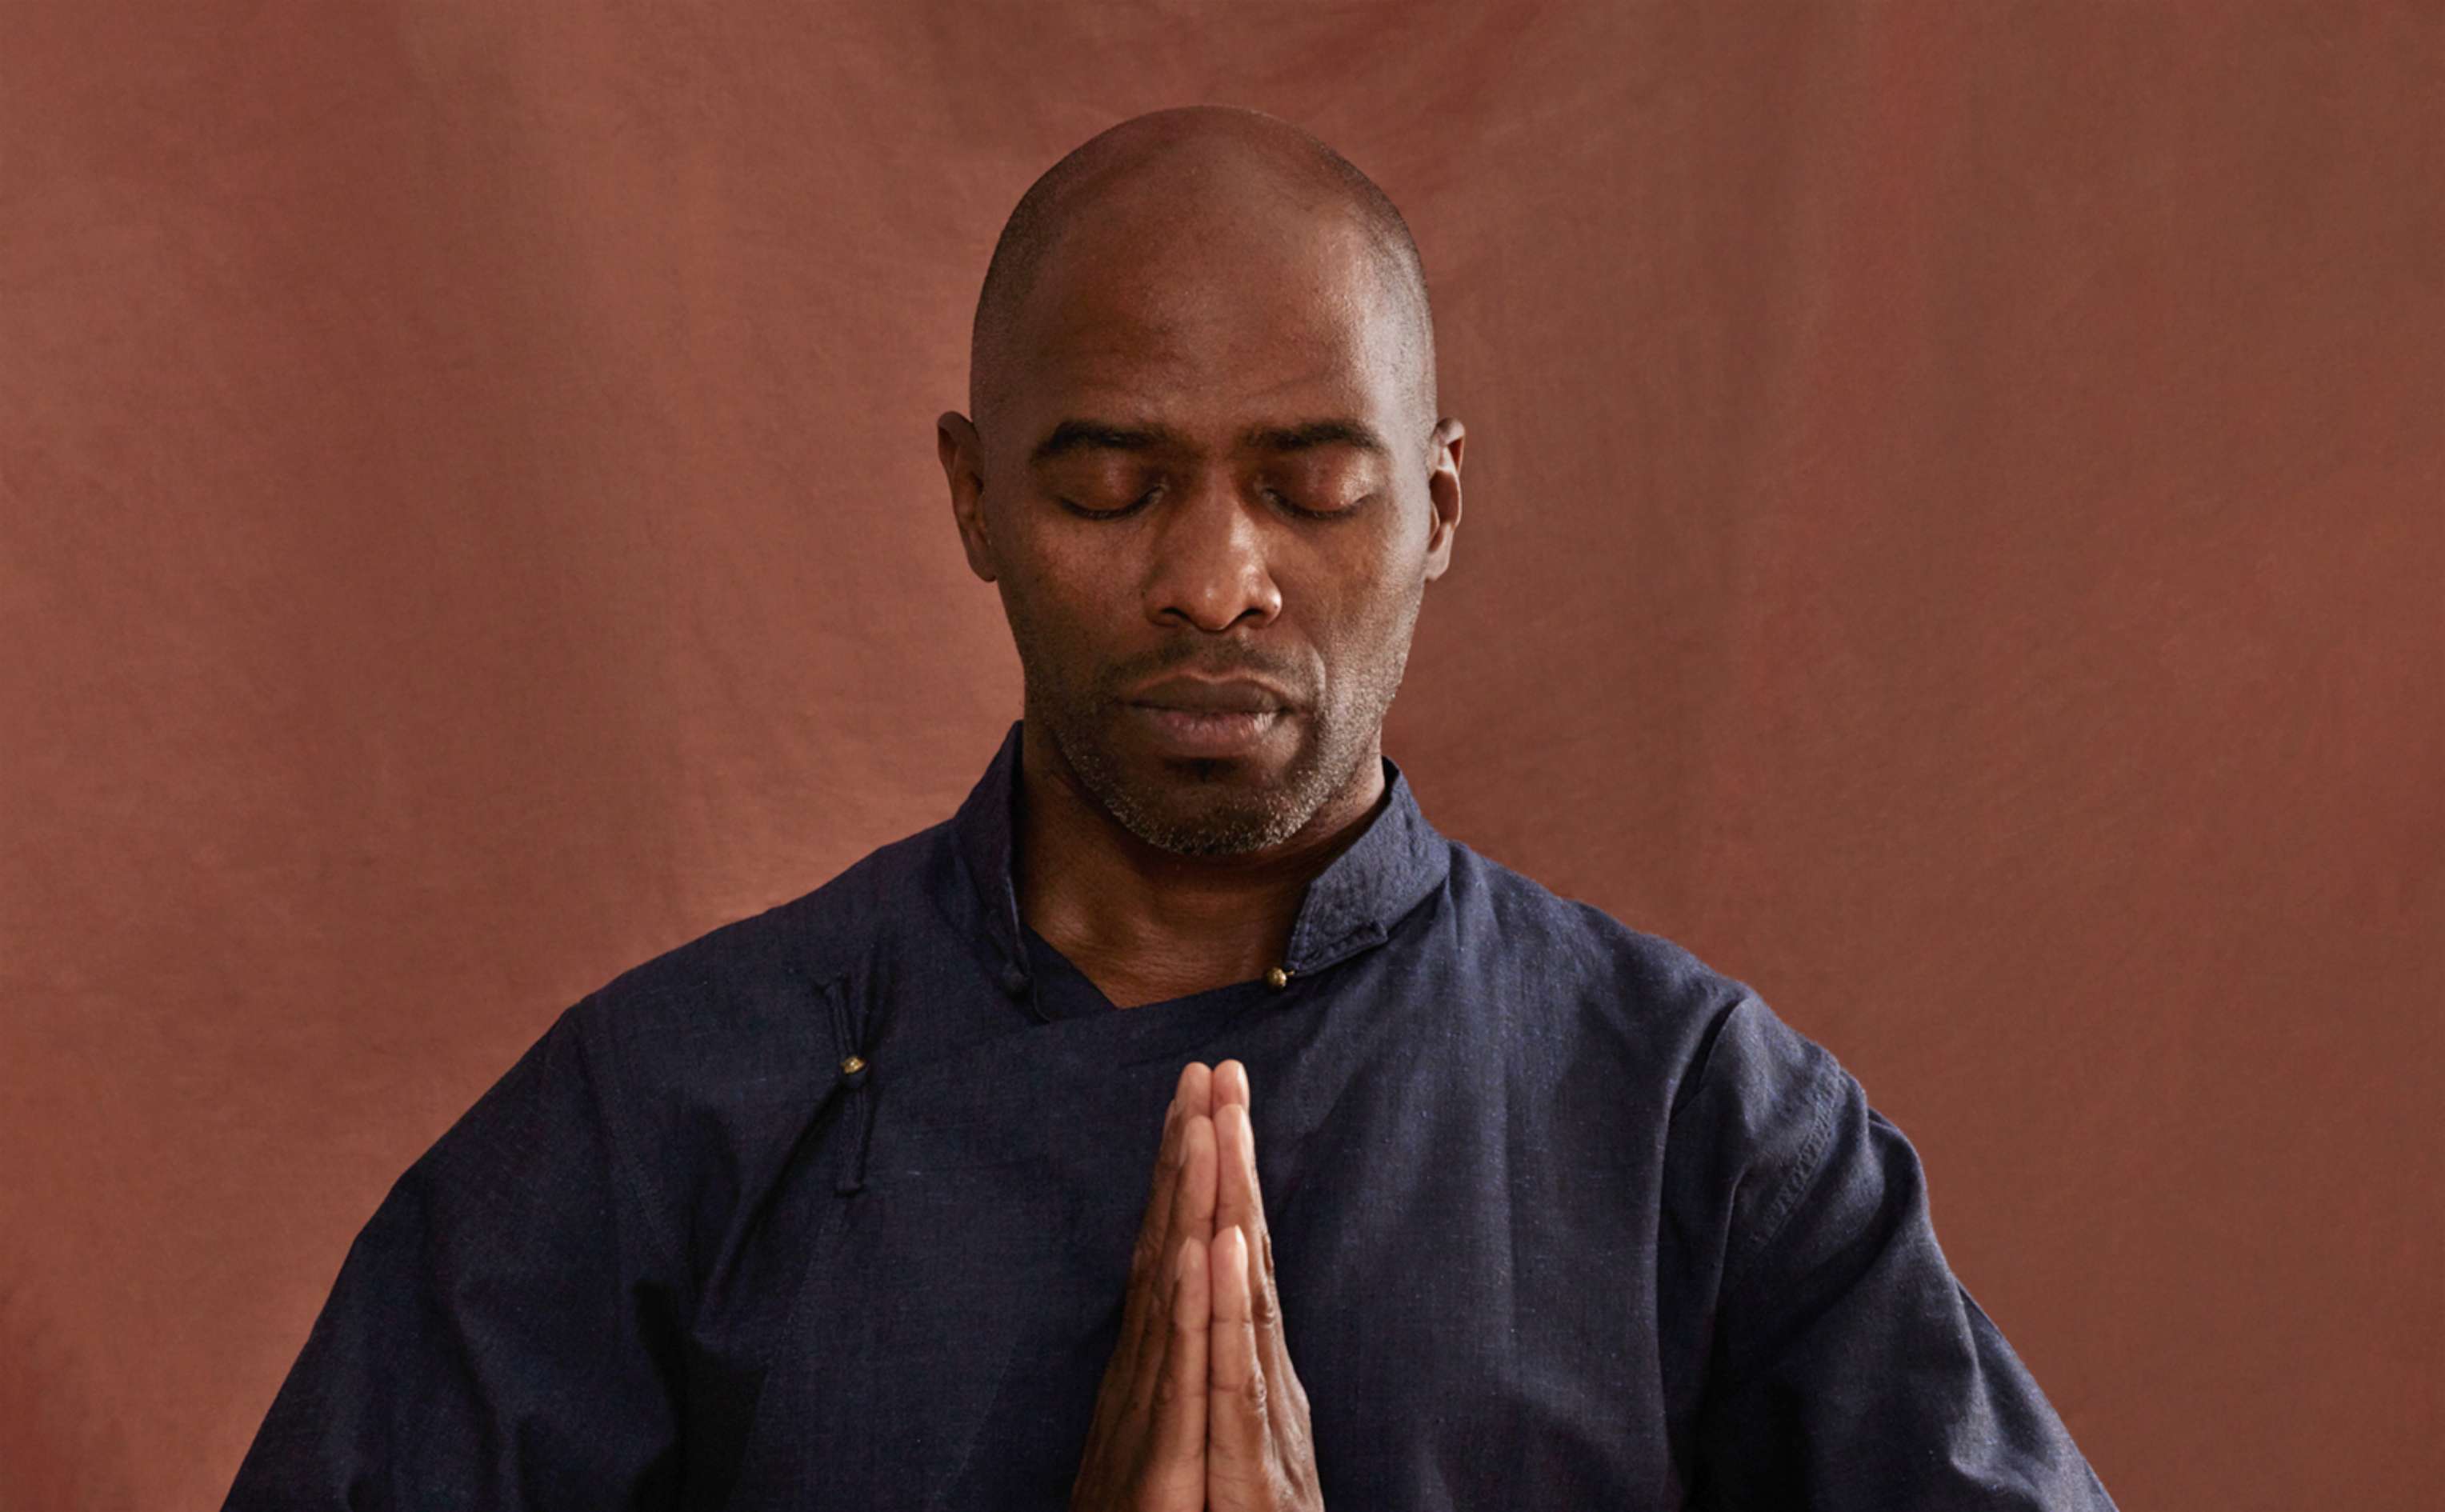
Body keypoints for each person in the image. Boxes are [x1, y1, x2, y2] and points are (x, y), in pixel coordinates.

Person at [222, 106, 2117, 1510]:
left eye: (1309, 485)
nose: (1217, 577)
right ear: (973, 501)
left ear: (1436, 510)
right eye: (1112, 486)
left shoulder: (1692, 1125)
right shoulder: (664, 1118)